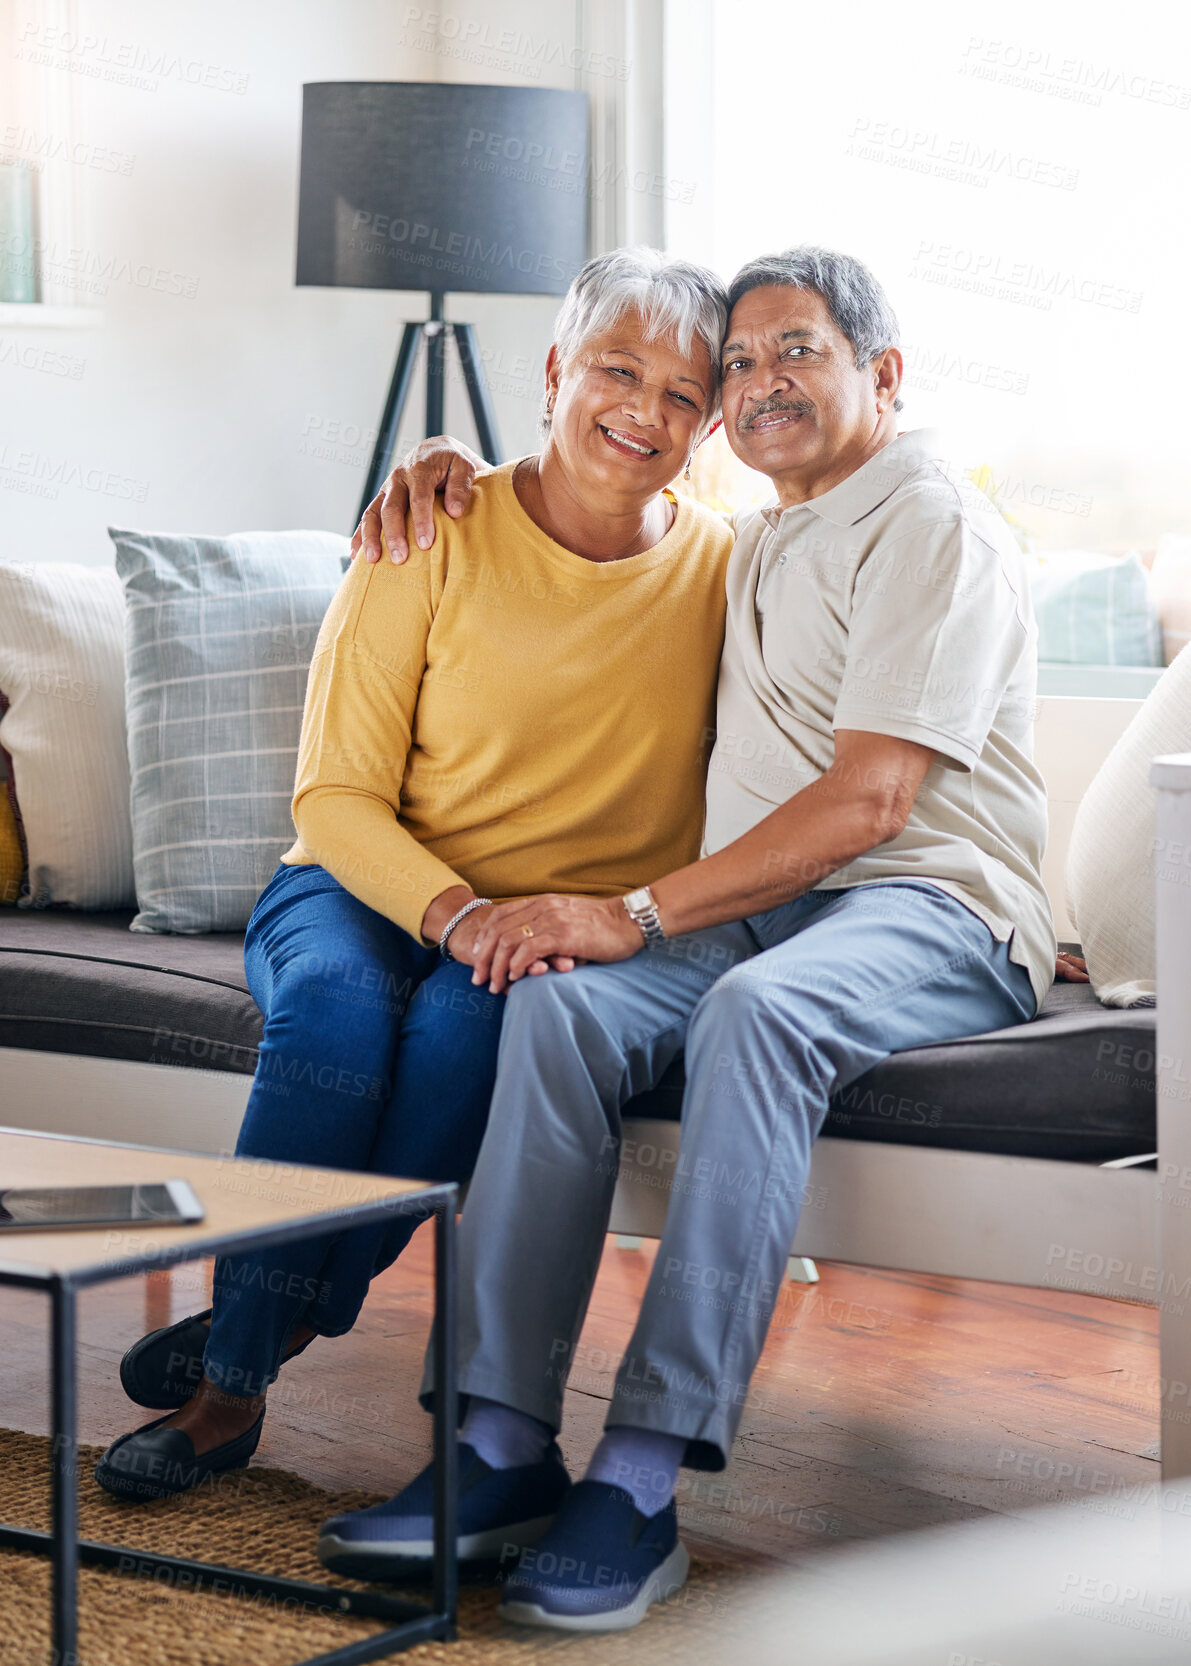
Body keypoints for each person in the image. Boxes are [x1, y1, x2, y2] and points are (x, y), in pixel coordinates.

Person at [320, 246, 1060, 1631]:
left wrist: (638, 910)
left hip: (926, 904)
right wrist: (442, 462)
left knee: (758, 1016)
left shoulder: (929, 522)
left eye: (798, 351)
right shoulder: (761, 526)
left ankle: (646, 1473)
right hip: (755, 909)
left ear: (882, 375)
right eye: (741, 365)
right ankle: (495, 1446)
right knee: (551, 1005)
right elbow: (583, 479)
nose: (757, 382)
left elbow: (876, 798)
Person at [93, 246, 735, 1506]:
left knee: (458, 1030)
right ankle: (233, 1390)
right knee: (339, 1008)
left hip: (535, 931)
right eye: (617, 368)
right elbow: (331, 796)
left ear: (710, 423)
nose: (644, 411)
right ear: (555, 370)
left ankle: (256, 1330)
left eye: (683, 392)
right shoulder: (432, 526)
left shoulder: (728, 568)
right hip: (361, 886)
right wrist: (457, 910)